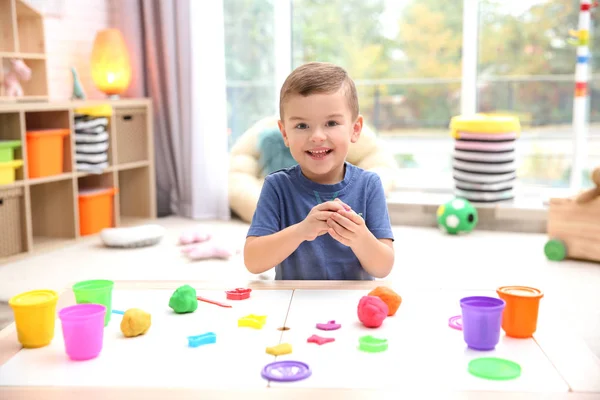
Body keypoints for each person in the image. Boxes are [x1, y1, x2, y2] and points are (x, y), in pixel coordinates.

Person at [243, 62, 394, 280]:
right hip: (294, 302)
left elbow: (383, 268)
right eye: (302, 126)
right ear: (285, 134)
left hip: (352, 306)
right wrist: (301, 231)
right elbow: (253, 262)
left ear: (355, 129)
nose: (317, 136)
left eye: (331, 123)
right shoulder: (277, 187)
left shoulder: (369, 185)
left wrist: (360, 237)